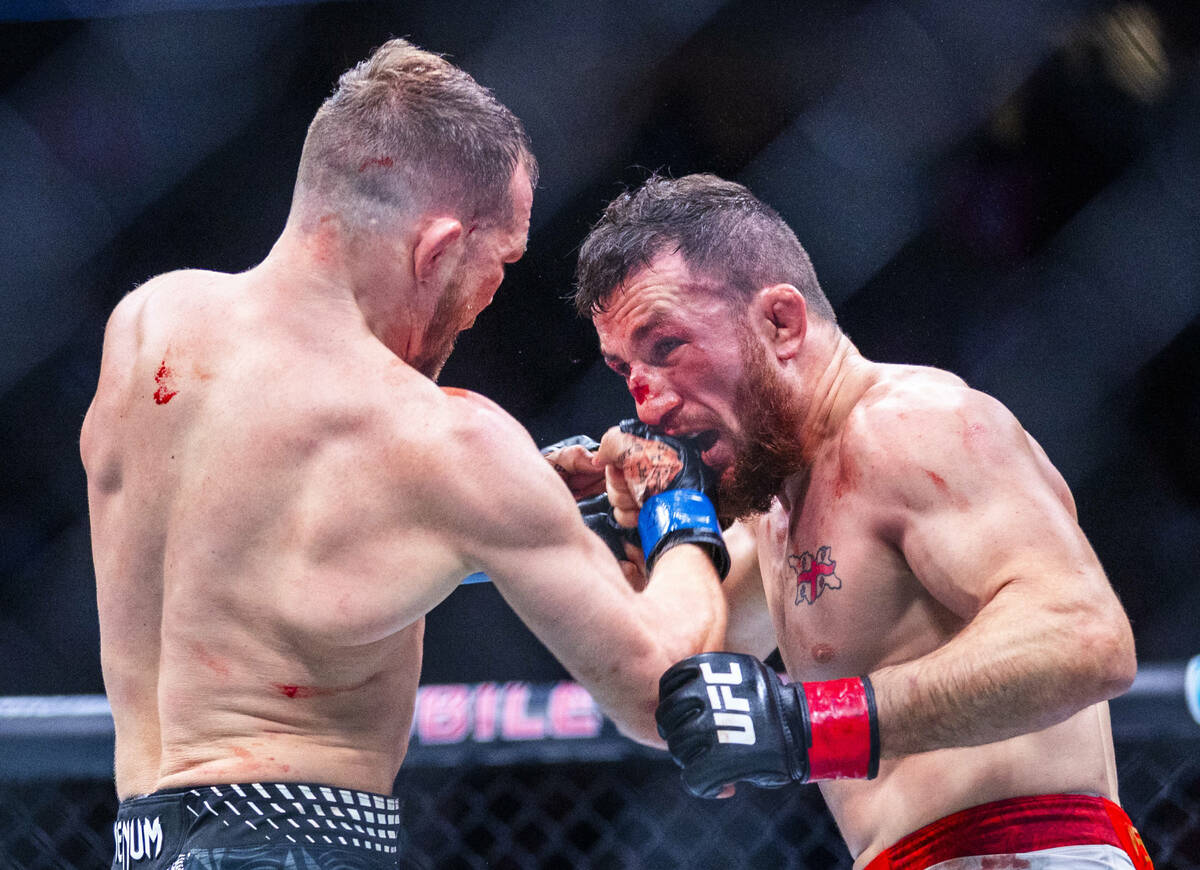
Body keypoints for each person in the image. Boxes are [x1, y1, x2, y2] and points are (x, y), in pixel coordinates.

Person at [81, 42, 729, 870]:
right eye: (501, 262)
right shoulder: (445, 442)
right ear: (438, 249)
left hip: (139, 843)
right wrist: (677, 498)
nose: (489, 302)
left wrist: (499, 503)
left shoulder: (147, 328)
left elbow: (257, 545)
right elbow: (661, 694)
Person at [569, 172, 1153, 869]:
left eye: (667, 347)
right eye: (625, 369)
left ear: (780, 324)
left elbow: (1085, 639)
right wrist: (630, 527)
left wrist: (812, 725)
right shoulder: (774, 512)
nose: (648, 404)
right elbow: (660, 695)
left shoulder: (913, 426)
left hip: (1029, 850)